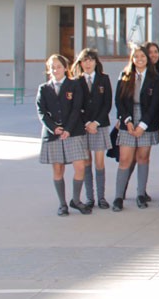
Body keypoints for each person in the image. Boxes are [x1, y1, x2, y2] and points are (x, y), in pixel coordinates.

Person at [38, 54, 89, 216]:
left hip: (73, 131)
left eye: (58, 66)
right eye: (52, 67)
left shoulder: (74, 85)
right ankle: (62, 204)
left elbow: (76, 108)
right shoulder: (44, 88)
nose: (55, 70)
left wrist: (68, 128)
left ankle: (76, 200)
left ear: (65, 68)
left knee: (80, 166)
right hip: (53, 134)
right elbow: (41, 112)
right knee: (58, 169)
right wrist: (53, 128)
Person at [112, 45, 159, 212]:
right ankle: (118, 197)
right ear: (132, 59)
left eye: (143, 56)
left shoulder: (155, 77)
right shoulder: (125, 75)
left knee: (143, 158)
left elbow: (155, 104)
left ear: (147, 58)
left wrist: (142, 125)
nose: (140, 59)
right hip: (128, 120)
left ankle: (141, 194)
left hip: (147, 121)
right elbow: (119, 101)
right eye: (136, 56)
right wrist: (127, 120)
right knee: (125, 159)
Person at [71, 48, 113, 210]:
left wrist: (95, 122)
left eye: (90, 60)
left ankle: (101, 197)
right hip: (83, 127)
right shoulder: (76, 81)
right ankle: (90, 198)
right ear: (80, 63)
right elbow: (75, 106)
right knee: (86, 162)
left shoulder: (104, 79)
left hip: (100, 125)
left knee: (99, 162)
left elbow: (107, 104)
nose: (87, 63)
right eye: (84, 60)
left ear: (96, 62)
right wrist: (87, 122)